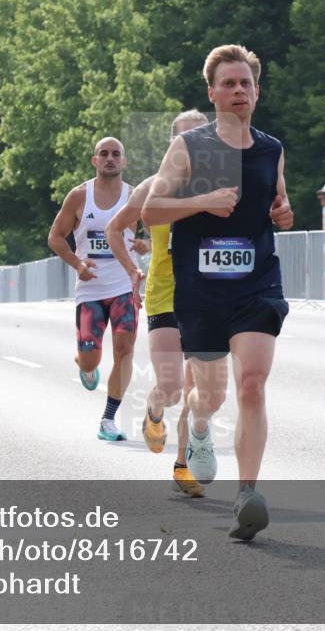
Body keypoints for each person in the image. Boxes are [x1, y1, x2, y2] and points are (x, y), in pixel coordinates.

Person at [142, 44, 294, 540]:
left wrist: (284, 215)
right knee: (210, 393)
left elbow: (279, 201)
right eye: (228, 84)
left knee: (252, 382)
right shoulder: (189, 148)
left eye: (245, 83)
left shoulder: (272, 149)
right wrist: (204, 200)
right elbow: (152, 210)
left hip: (256, 283)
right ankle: (199, 424)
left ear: (257, 91)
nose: (238, 91)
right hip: (201, 291)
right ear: (212, 93)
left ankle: (248, 492)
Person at [105, 109, 210, 498]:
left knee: (197, 385)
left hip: (206, 298)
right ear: (172, 144)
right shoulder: (151, 187)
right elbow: (115, 229)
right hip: (166, 294)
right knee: (170, 387)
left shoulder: (218, 186)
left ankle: (182, 465)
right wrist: (133, 270)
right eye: (185, 138)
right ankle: (154, 408)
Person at [47, 137, 149, 442]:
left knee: (125, 350)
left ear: (124, 161)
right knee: (91, 359)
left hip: (123, 287)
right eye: (103, 154)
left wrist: (147, 244)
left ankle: (108, 419)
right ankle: (85, 364)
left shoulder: (134, 197)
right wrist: (78, 264)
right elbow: (55, 237)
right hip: (90, 291)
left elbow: (154, 232)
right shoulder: (79, 197)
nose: (110, 158)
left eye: (116, 154)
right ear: (95, 161)